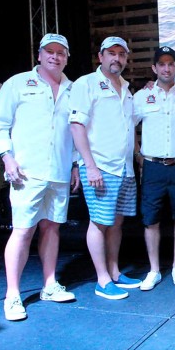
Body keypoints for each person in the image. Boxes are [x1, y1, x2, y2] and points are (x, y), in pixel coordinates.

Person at [0, 34, 79, 320]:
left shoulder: (72, 88)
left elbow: (76, 131)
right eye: (49, 51)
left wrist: (76, 164)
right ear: (39, 55)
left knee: (52, 228)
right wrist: (7, 156)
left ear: (67, 57)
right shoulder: (16, 84)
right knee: (23, 230)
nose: (55, 57)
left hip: (59, 170)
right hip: (26, 172)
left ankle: (50, 285)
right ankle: (12, 295)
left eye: (61, 52)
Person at [69, 36, 141, 300]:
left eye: (122, 54)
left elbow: (128, 127)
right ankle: (101, 280)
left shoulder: (126, 87)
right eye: (111, 53)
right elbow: (76, 126)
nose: (117, 58)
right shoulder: (86, 84)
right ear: (101, 56)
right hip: (100, 167)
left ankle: (115, 272)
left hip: (124, 169)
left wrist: (137, 156)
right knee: (99, 222)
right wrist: (90, 166)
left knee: (116, 223)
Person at [133, 46, 175, 289]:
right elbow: (128, 125)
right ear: (154, 68)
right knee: (151, 219)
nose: (166, 68)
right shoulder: (142, 96)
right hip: (153, 168)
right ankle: (153, 270)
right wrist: (137, 152)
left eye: (171, 63)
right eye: (161, 64)